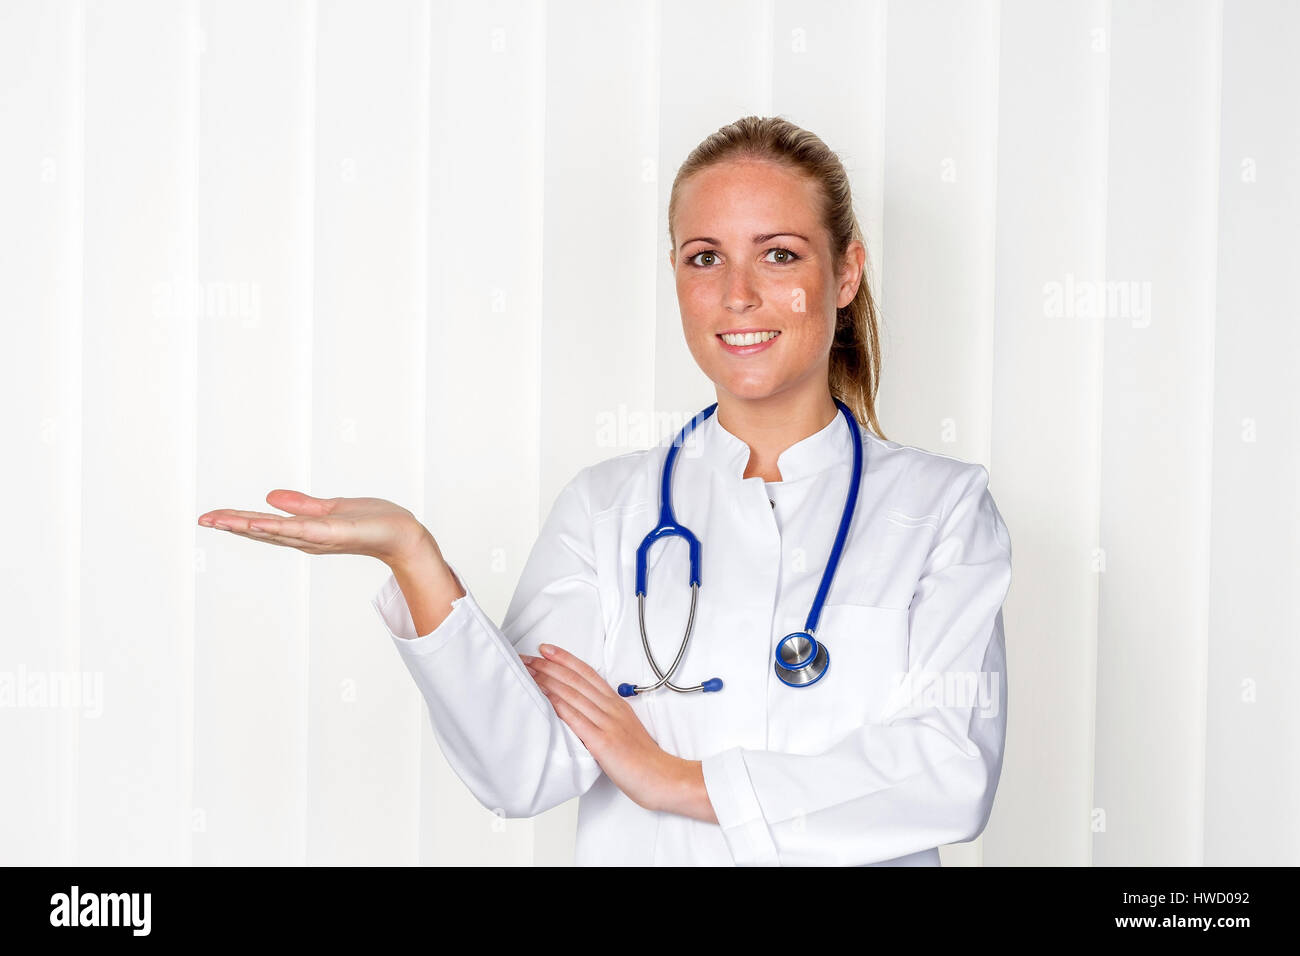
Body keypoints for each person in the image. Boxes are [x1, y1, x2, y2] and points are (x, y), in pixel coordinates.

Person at [198, 115, 1013, 866]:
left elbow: (950, 772)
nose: (738, 294)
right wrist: (413, 556)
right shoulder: (606, 509)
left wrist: (674, 780)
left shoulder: (942, 511)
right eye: (705, 258)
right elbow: (524, 770)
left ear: (845, 275)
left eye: (779, 253)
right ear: (677, 277)